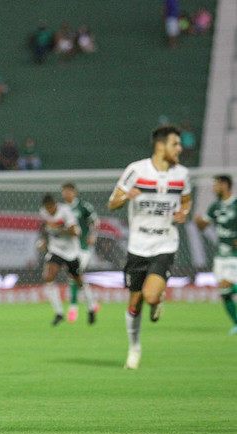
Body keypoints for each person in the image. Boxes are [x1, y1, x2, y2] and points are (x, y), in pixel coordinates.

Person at [108, 124, 191, 369]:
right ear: (160, 145)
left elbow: (186, 200)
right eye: (175, 143)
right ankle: (134, 348)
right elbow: (113, 203)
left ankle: (156, 299)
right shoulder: (136, 170)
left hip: (165, 242)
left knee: (150, 295)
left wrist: (184, 212)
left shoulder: (182, 175)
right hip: (138, 245)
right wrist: (126, 196)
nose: (180, 148)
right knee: (134, 303)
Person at [37, 194, 98, 326]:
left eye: (51, 209)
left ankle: (91, 307)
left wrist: (59, 228)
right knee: (48, 276)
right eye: (47, 209)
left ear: (55, 205)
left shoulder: (65, 212)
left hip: (71, 252)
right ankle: (59, 313)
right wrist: (42, 240)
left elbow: (77, 232)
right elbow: (43, 227)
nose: (49, 212)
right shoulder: (43, 212)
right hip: (55, 250)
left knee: (78, 280)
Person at [194, 175, 237, 335]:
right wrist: (198, 221)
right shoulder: (215, 207)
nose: (213, 188)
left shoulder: (236, 204)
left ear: (225, 185)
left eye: (216, 185)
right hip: (221, 254)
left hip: (234, 254)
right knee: (224, 292)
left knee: (226, 285)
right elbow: (203, 226)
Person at [61, 182, 100, 323]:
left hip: (82, 248)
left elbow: (95, 221)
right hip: (68, 249)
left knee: (74, 276)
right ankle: (93, 304)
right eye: (64, 191)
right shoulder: (61, 209)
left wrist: (92, 236)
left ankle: (73, 308)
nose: (66, 194)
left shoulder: (83, 207)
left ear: (75, 192)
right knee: (77, 278)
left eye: (69, 191)